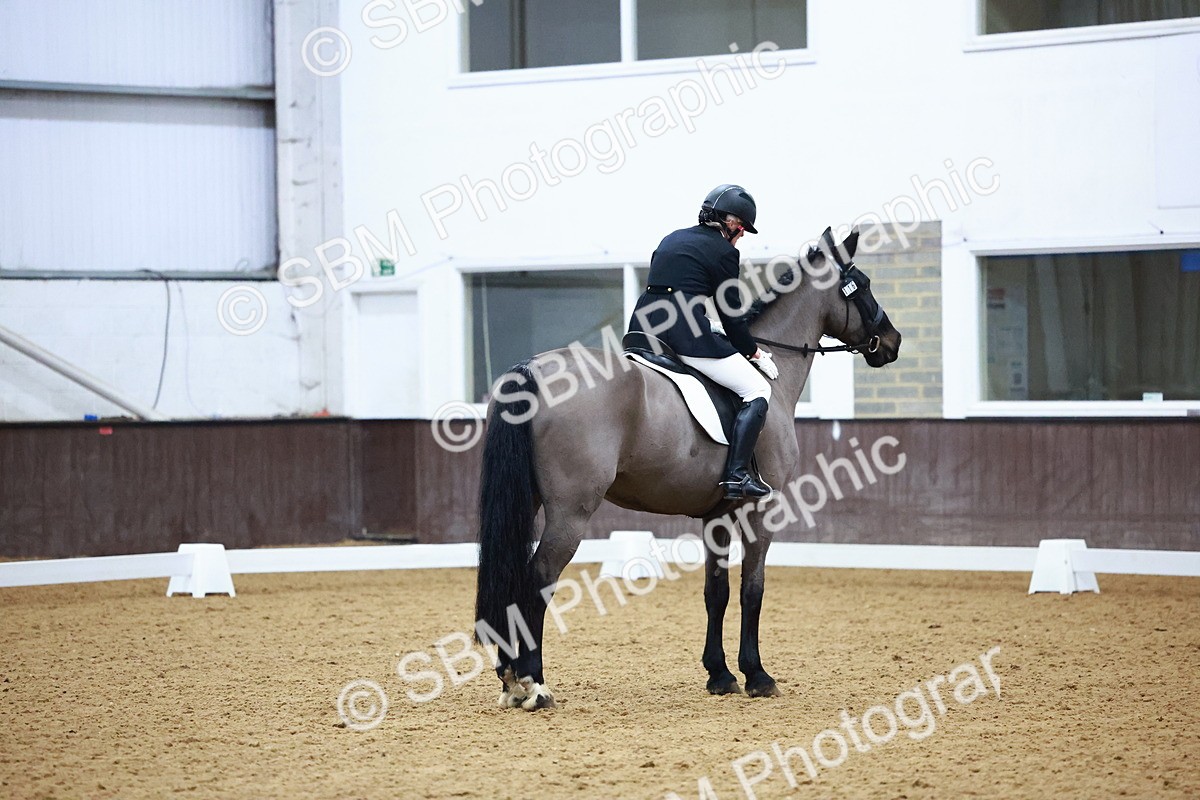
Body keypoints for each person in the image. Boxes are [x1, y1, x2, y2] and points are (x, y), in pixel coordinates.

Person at [628, 184, 778, 499]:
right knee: (757, 389)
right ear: (733, 223)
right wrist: (753, 352)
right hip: (683, 334)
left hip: (643, 327)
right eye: (743, 230)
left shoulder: (672, 238)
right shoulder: (725, 252)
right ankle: (736, 476)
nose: (741, 237)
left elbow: (673, 290)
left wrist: (706, 321)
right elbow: (733, 316)